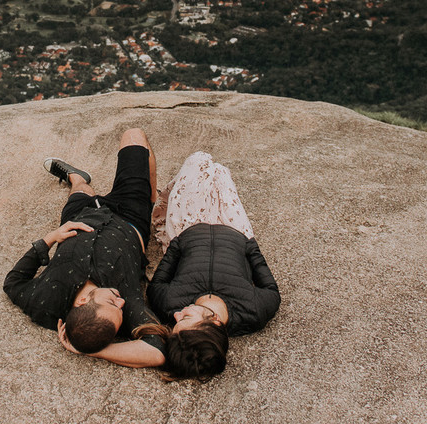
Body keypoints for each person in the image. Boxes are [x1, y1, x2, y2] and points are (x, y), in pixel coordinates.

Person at [58, 150, 280, 380]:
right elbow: (269, 285)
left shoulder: (169, 302)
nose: (176, 316)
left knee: (198, 159)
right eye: (185, 319)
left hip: (187, 224)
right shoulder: (255, 310)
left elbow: (162, 274)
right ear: (214, 322)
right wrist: (248, 242)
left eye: (176, 324)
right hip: (234, 229)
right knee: (219, 173)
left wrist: (179, 241)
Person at [3, 128, 160, 355]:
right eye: (120, 310)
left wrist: (50, 238)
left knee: (81, 189)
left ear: (83, 301)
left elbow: (13, 282)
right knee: (134, 136)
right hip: (131, 215)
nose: (122, 304)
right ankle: (150, 196)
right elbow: (157, 349)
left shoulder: (45, 302)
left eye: (112, 304)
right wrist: (93, 350)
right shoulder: (127, 305)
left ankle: (76, 177)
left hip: (79, 216)